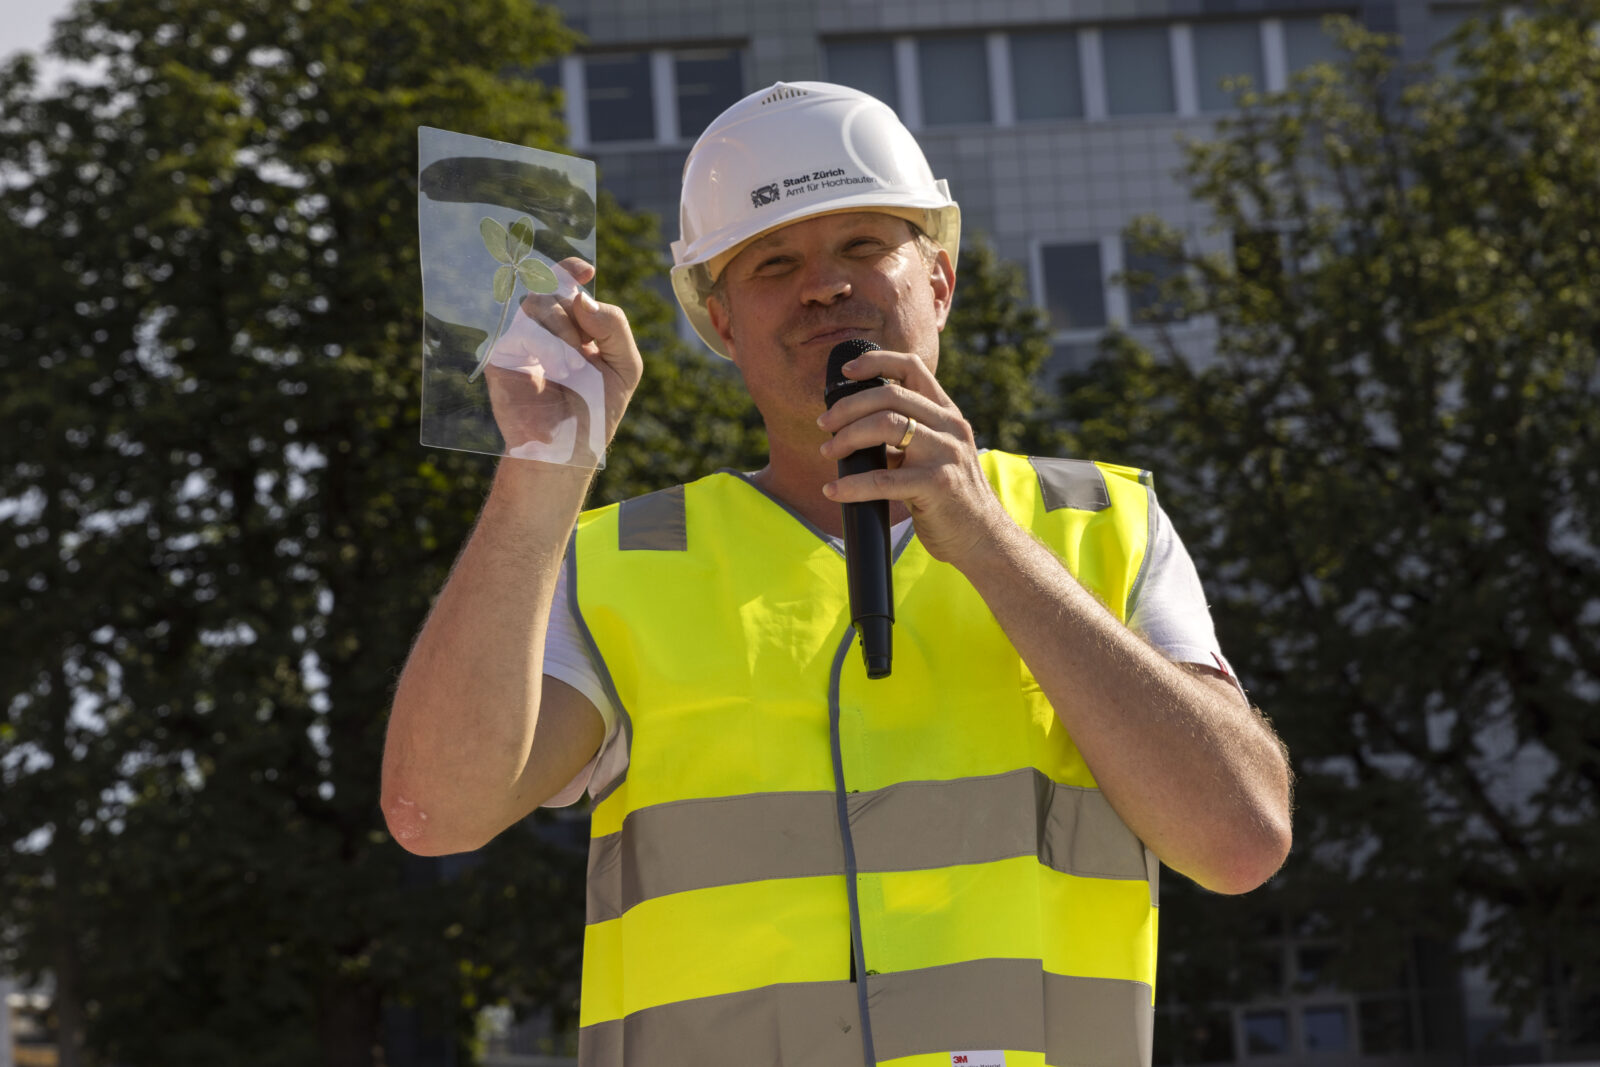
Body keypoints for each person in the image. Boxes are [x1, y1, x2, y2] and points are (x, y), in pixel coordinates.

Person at [383, 81, 1293, 1066]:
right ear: (721, 325)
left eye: (863, 245)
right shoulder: (618, 563)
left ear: (939, 281)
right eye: (773, 261)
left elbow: (1239, 839)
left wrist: (986, 542)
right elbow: (437, 811)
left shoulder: (1102, 526)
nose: (823, 285)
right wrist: (536, 479)